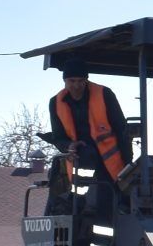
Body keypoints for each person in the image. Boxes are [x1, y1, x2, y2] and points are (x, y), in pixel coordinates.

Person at [49, 67, 133, 204]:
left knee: (108, 204)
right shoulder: (55, 103)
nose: (76, 86)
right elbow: (58, 137)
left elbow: (122, 130)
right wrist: (69, 146)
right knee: (79, 204)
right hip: (81, 161)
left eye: (81, 81)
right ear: (64, 81)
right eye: (72, 81)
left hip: (111, 164)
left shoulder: (104, 94)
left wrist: (128, 164)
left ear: (86, 80)